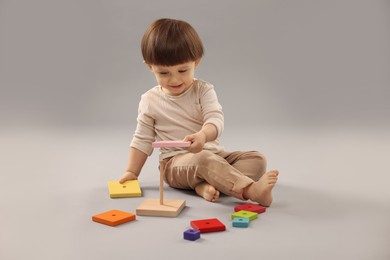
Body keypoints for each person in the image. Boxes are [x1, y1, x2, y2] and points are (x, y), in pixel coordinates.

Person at [119, 18, 279, 206]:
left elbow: (215, 119)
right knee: (203, 160)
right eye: (163, 73)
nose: (174, 79)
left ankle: (204, 185)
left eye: (183, 70)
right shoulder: (149, 101)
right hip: (174, 165)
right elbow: (142, 140)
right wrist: (132, 172)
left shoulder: (204, 90)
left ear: (196, 62)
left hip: (214, 156)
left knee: (256, 159)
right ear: (149, 66)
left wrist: (203, 135)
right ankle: (250, 190)